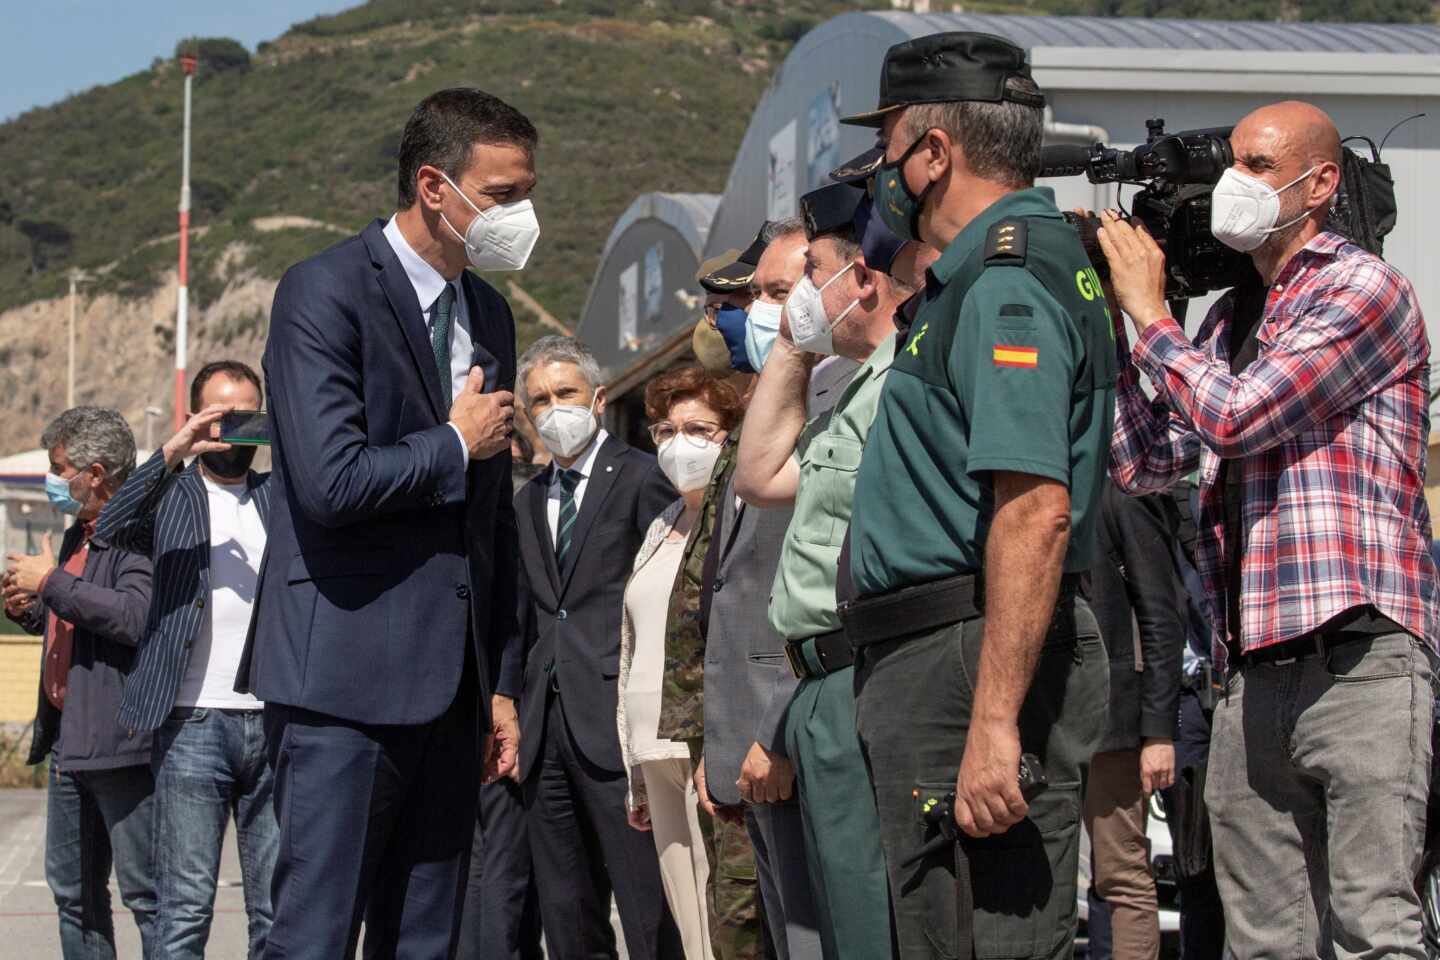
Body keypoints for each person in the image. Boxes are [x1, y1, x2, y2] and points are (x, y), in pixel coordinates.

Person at [1100, 99, 1438, 957]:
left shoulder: (1362, 287)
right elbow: (1146, 463)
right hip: (1251, 669)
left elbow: (1240, 417)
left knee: (1373, 924)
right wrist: (1123, 324)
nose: (1232, 186)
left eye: (1255, 164)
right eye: (1230, 166)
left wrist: (1151, 319)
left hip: (1358, 653)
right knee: (1265, 937)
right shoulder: (1225, 320)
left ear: (1319, 182)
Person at [837, 32, 1116, 960]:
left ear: (934, 152)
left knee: (978, 936)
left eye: (886, 144)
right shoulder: (978, 280)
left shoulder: (1003, 286)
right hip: (948, 651)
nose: (877, 168)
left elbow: (1035, 508)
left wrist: (995, 722)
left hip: (968, 653)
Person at [242, 87, 528, 958]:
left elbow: (491, 523)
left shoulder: (489, 315)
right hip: (342, 680)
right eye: (504, 195)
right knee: (316, 933)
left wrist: (501, 679)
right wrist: (451, 441)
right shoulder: (323, 291)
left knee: (425, 938)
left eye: (527, 192)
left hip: (452, 690)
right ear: (435, 186)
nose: (522, 216)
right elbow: (329, 481)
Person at [734, 178, 925, 959]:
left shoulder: (905, 381)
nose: (797, 296)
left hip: (867, 676)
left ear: (864, 279)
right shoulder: (848, 392)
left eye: (810, 273)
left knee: (872, 924)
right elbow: (760, 473)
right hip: (821, 685)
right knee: (842, 927)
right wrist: (791, 344)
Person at [91, 361, 277, 960]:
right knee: (185, 907)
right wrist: (175, 449)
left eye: (248, 414)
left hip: (274, 719)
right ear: (197, 417)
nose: (234, 430)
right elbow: (108, 529)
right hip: (192, 721)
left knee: (275, 907)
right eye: (222, 416)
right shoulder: (172, 494)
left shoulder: (282, 496)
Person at [512, 335, 681, 959]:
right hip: (546, 729)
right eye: (539, 401)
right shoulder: (528, 500)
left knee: (648, 907)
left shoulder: (644, 478)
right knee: (568, 912)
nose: (554, 409)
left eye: (565, 393)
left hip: (618, 725)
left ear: (599, 398)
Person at [692, 216, 833, 960]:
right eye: (753, 294)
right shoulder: (763, 415)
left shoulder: (837, 405)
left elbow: (817, 587)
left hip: (793, 737)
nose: (756, 311)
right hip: (746, 747)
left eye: (778, 291)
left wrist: (773, 730)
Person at [3, 407, 155, 960]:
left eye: (58, 467)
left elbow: (132, 617)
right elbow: (75, 621)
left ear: (94, 473)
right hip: (69, 744)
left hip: (120, 748)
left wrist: (51, 582)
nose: (52, 479)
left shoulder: (138, 533)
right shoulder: (75, 538)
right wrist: (34, 605)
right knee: (73, 895)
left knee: (147, 897)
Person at [662, 234, 776, 960]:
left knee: (761, 920)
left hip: (773, 728)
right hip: (732, 732)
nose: (722, 320)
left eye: (743, 302)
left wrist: (762, 729)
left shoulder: (797, 411)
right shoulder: (753, 424)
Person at [618, 365, 745, 959]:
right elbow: (632, 650)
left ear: (731, 435)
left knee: (729, 921)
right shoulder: (662, 525)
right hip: (653, 752)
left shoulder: (739, 517)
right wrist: (634, 771)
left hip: (704, 751)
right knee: (690, 927)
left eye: (699, 429)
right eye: (667, 431)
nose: (678, 444)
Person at [1085, 481, 1184, 960]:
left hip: (1114, 720)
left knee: (1122, 874)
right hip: (1046, 716)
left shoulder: (1122, 490)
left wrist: (1158, 730)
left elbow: (1163, 614)